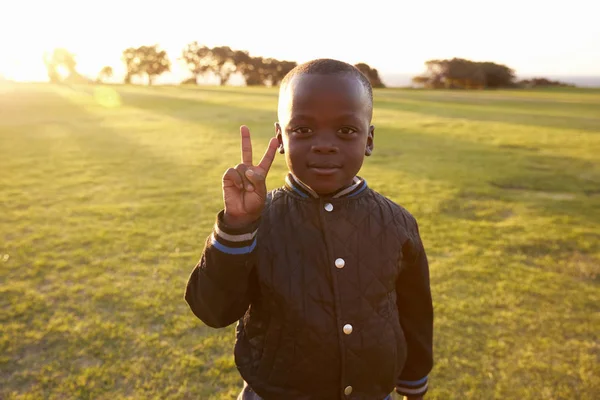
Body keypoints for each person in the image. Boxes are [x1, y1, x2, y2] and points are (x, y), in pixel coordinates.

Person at [185, 59, 433, 400]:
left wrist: (414, 380)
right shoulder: (256, 221)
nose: (324, 144)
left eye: (346, 131)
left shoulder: (397, 222)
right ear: (281, 138)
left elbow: (415, 310)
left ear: (369, 139)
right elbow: (214, 311)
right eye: (303, 130)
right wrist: (237, 226)